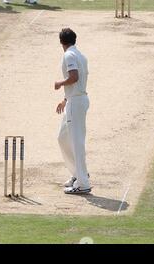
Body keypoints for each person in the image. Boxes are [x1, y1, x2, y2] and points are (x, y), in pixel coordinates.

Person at [54, 28, 91, 194]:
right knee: (62, 137)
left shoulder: (69, 55)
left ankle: (83, 184)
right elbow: (77, 82)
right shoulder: (80, 55)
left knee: (77, 142)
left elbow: (74, 77)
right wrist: (65, 99)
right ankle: (78, 174)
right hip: (73, 100)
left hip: (76, 102)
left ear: (61, 42)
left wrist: (60, 83)